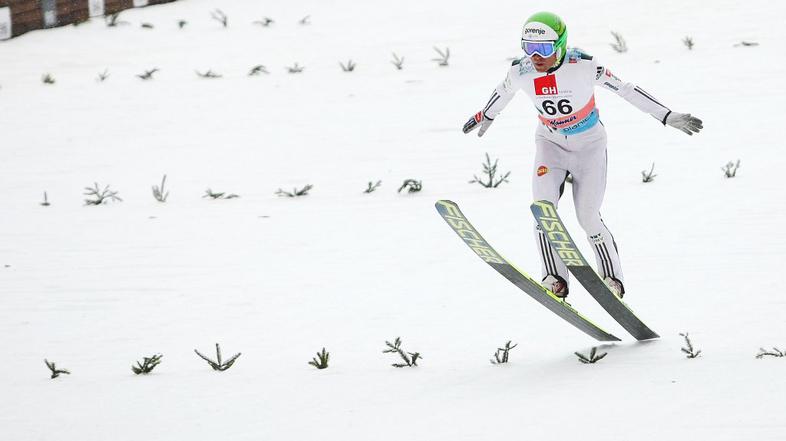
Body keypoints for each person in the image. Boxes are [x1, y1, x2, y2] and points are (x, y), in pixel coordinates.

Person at [462, 11, 702, 299]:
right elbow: (503, 91)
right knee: (543, 211)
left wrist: (666, 115)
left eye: (544, 49)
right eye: (529, 48)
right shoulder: (521, 71)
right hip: (550, 146)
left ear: (561, 46)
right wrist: (485, 115)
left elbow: (625, 89)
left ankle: (612, 279)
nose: (535, 57)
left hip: (589, 148)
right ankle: (553, 277)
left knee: (587, 217)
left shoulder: (584, 66)